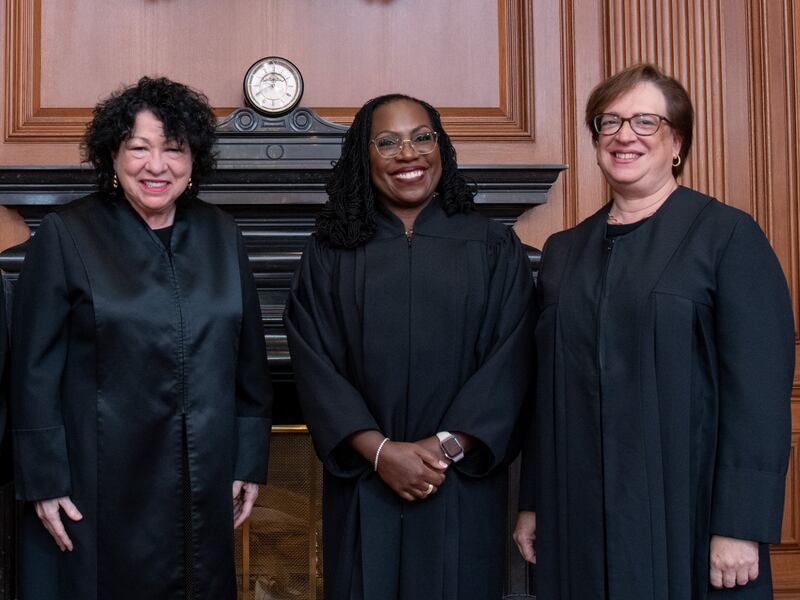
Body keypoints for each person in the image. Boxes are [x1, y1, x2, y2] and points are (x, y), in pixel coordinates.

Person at [513, 63, 794, 599]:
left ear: (677, 142)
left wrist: (740, 525)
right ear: (596, 139)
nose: (625, 136)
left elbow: (757, 395)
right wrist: (534, 501)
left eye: (645, 121)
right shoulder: (564, 253)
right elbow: (546, 392)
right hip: (579, 510)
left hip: (689, 508)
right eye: (609, 121)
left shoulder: (728, 237)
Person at [10, 77, 273, 600]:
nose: (157, 166)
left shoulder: (223, 233)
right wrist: (44, 480)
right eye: (139, 148)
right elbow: (31, 370)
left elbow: (250, 364)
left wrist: (247, 461)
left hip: (203, 475)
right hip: (96, 481)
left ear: (194, 159)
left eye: (173, 149)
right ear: (112, 155)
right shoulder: (67, 234)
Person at [284, 93, 535, 599]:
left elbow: (512, 358)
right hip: (364, 482)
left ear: (442, 147)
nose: (409, 153)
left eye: (423, 137)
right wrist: (379, 452)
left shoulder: (491, 245)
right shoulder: (331, 252)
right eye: (387, 141)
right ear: (364, 155)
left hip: (459, 483)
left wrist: (444, 448)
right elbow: (314, 361)